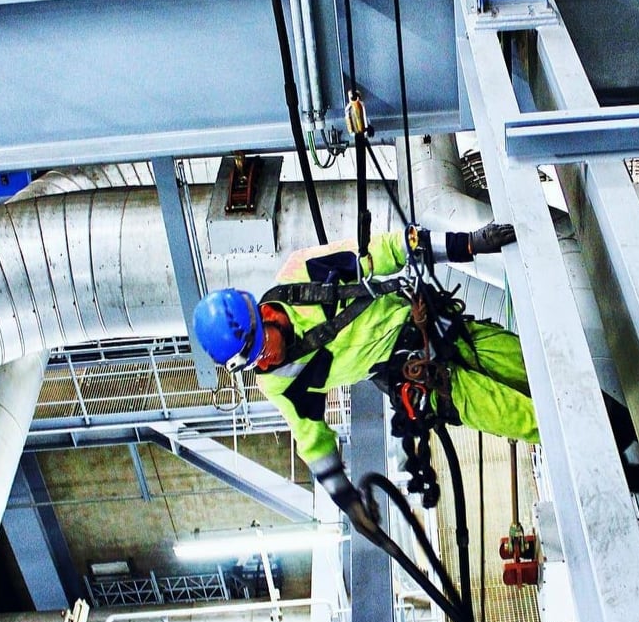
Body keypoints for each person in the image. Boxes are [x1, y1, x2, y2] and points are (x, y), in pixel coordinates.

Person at [192, 223, 538, 528]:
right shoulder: (279, 381)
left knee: (534, 367)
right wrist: (349, 502)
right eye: (252, 361)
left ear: (261, 314)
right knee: (527, 420)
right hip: (422, 382)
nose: (265, 358)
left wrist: (466, 245)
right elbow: (313, 443)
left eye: (261, 346)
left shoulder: (301, 273)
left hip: (434, 326)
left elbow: (384, 250)